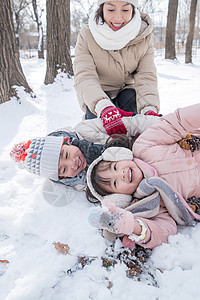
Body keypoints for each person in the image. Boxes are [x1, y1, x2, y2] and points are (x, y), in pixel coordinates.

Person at [86, 103, 200, 250]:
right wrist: (131, 226)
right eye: (115, 183)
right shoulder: (151, 203)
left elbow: (176, 122)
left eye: (115, 167)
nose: (120, 174)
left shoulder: (144, 146)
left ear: (121, 155)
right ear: (120, 197)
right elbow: (164, 229)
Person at [73, 0, 160, 136]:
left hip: (127, 92)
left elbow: (146, 76)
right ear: (102, 9)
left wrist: (149, 109)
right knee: (97, 124)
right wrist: (104, 107)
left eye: (125, 10)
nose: (118, 18)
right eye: (111, 10)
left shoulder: (144, 36)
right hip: (98, 93)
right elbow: (84, 75)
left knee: (133, 103)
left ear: (133, 9)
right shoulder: (87, 34)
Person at [10, 114, 157, 191]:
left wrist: (161, 124)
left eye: (66, 155)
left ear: (67, 141)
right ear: (63, 177)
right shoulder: (80, 183)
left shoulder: (85, 130)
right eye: (64, 169)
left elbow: (131, 124)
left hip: (143, 144)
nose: (72, 164)